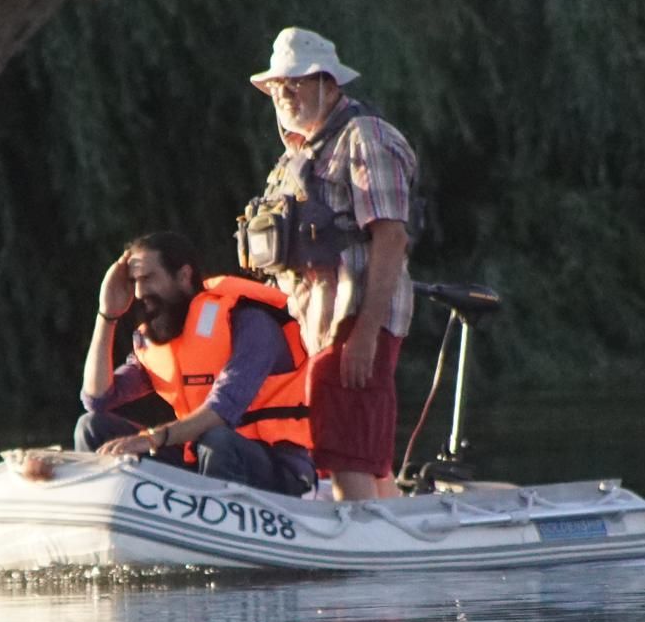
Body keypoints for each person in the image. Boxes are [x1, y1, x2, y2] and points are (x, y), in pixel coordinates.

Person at [239, 27, 418, 500]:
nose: (285, 94)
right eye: (278, 86)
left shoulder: (364, 137)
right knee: (360, 454)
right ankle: (394, 539)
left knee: (346, 457)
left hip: (354, 322)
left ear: (330, 85)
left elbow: (391, 234)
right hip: (316, 325)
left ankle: (364, 557)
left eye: (296, 82)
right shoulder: (295, 157)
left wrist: (364, 335)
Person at [76, 231, 315, 497]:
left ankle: (215, 530)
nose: (139, 292)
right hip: (201, 458)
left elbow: (222, 410)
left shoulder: (251, 321)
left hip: (279, 467)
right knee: (91, 426)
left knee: (218, 439)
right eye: (133, 281)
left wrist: (153, 438)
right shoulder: (155, 340)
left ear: (184, 276)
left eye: (148, 278)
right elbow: (97, 400)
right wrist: (107, 314)